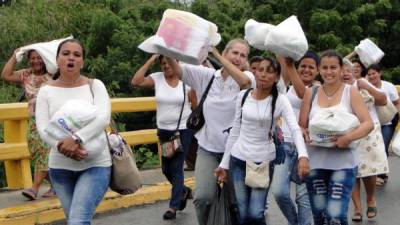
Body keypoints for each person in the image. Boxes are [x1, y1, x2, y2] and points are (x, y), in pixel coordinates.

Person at [166, 38, 256, 225]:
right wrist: (168, 51)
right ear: (226, 53)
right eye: (235, 53)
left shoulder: (248, 77)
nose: (238, 58)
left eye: (243, 55)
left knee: (237, 203)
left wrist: (214, 54)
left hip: (236, 152)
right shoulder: (207, 76)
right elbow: (179, 70)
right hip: (208, 148)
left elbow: (245, 82)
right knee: (202, 198)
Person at [214, 56, 310, 225]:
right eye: (260, 70)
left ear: (277, 78)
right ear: (255, 72)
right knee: (243, 214)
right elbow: (236, 130)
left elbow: (295, 129)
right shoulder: (243, 96)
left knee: (256, 213)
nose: (264, 75)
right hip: (238, 159)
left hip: (263, 162)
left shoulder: (280, 100)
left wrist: (303, 155)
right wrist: (224, 164)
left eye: (269, 71)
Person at [35, 39, 111, 225]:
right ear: (57, 59)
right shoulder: (45, 92)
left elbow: (103, 118)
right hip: (60, 168)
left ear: (82, 62)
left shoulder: (95, 85)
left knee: (78, 220)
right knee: (75, 220)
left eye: (77, 55)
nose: (71, 58)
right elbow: (43, 128)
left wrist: (76, 139)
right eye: (66, 53)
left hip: (95, 164)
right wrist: (63, 146)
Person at [299, 50, 373, 225]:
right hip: (316, 163)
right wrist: (303, 133)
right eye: (324, 67)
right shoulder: (311, 92)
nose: (329, 72)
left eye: (333, 67)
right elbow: (301, 125)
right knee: (319, 215)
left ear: (341, 70)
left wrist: (348, 138)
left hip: (343, 164)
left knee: (336, 216)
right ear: (318, 69)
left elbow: (367, 123)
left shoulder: (351, 92)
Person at [131, 54, 195, 220]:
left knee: (177, 167)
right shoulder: (157, 78)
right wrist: (151, 59)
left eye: (169, 63)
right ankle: (182, 190)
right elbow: (136, 81)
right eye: (163, 63)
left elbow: (195, 105)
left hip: (182, 130)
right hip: (165, 132)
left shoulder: (186, 79)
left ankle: (173, 207)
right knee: (166, 169)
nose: (166, 66)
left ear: (176, 63)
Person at [270, 51, 320, 225]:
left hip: (307, 147)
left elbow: (302, 93)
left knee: (303, 197)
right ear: (297, 67)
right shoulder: (287, 86)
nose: (306, 69)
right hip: (284, 145)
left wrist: (289, 65)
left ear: (318, 71)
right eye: (303, 66)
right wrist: (280, 55)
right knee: (279, 192)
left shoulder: (318, 88)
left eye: (311, 67)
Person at [1, 49, 55, 200]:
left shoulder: (54, 74)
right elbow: (6, 75)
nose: (36, 61)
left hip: (51, 120)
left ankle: (34, 188)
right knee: (36, 153)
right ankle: (57, 184)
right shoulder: (26, 74)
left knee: (43, 152)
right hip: (34, 120)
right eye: (32, 58)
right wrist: (14, 55)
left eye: (39, 58)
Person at [340, 59, 388, 221]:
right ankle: (357, 209)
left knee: (369, 171)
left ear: (356, 72)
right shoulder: (337, 89)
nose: (346, 73)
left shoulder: (362, 83)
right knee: (353, 171)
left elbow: (383, 100)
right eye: (343, 70)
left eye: (350, 69)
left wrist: (366, 86)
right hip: (348, 132)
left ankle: (370, 198)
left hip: (370, 132)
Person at [366, 64, 399, 185]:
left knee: (383, 146)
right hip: (371, 123)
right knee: (372, 148)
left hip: (387, 122)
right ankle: (373, 173)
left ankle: (381, 174)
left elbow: (397, 102)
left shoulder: (388, 86)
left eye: (374, 73)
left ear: (380, 73)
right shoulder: (365, 86)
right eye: (369, 74)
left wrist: (397, 116)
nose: (371, 76)